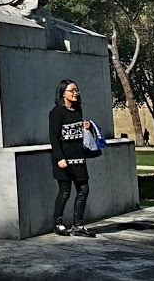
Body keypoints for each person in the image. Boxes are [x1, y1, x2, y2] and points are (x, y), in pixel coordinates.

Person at [49, 78, 96, 238]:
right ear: (63, 93)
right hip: (63, 161)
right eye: (72, 90)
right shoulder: (56, 113)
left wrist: (86, 127)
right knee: (64, 192)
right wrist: (60, 158)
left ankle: (78, 225)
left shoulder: (77, 111)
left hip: (78, 159)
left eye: (77, 90)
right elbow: (54, 138)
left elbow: (80, 134)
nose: (76, 93)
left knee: (83, 190)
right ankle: (58, 223)